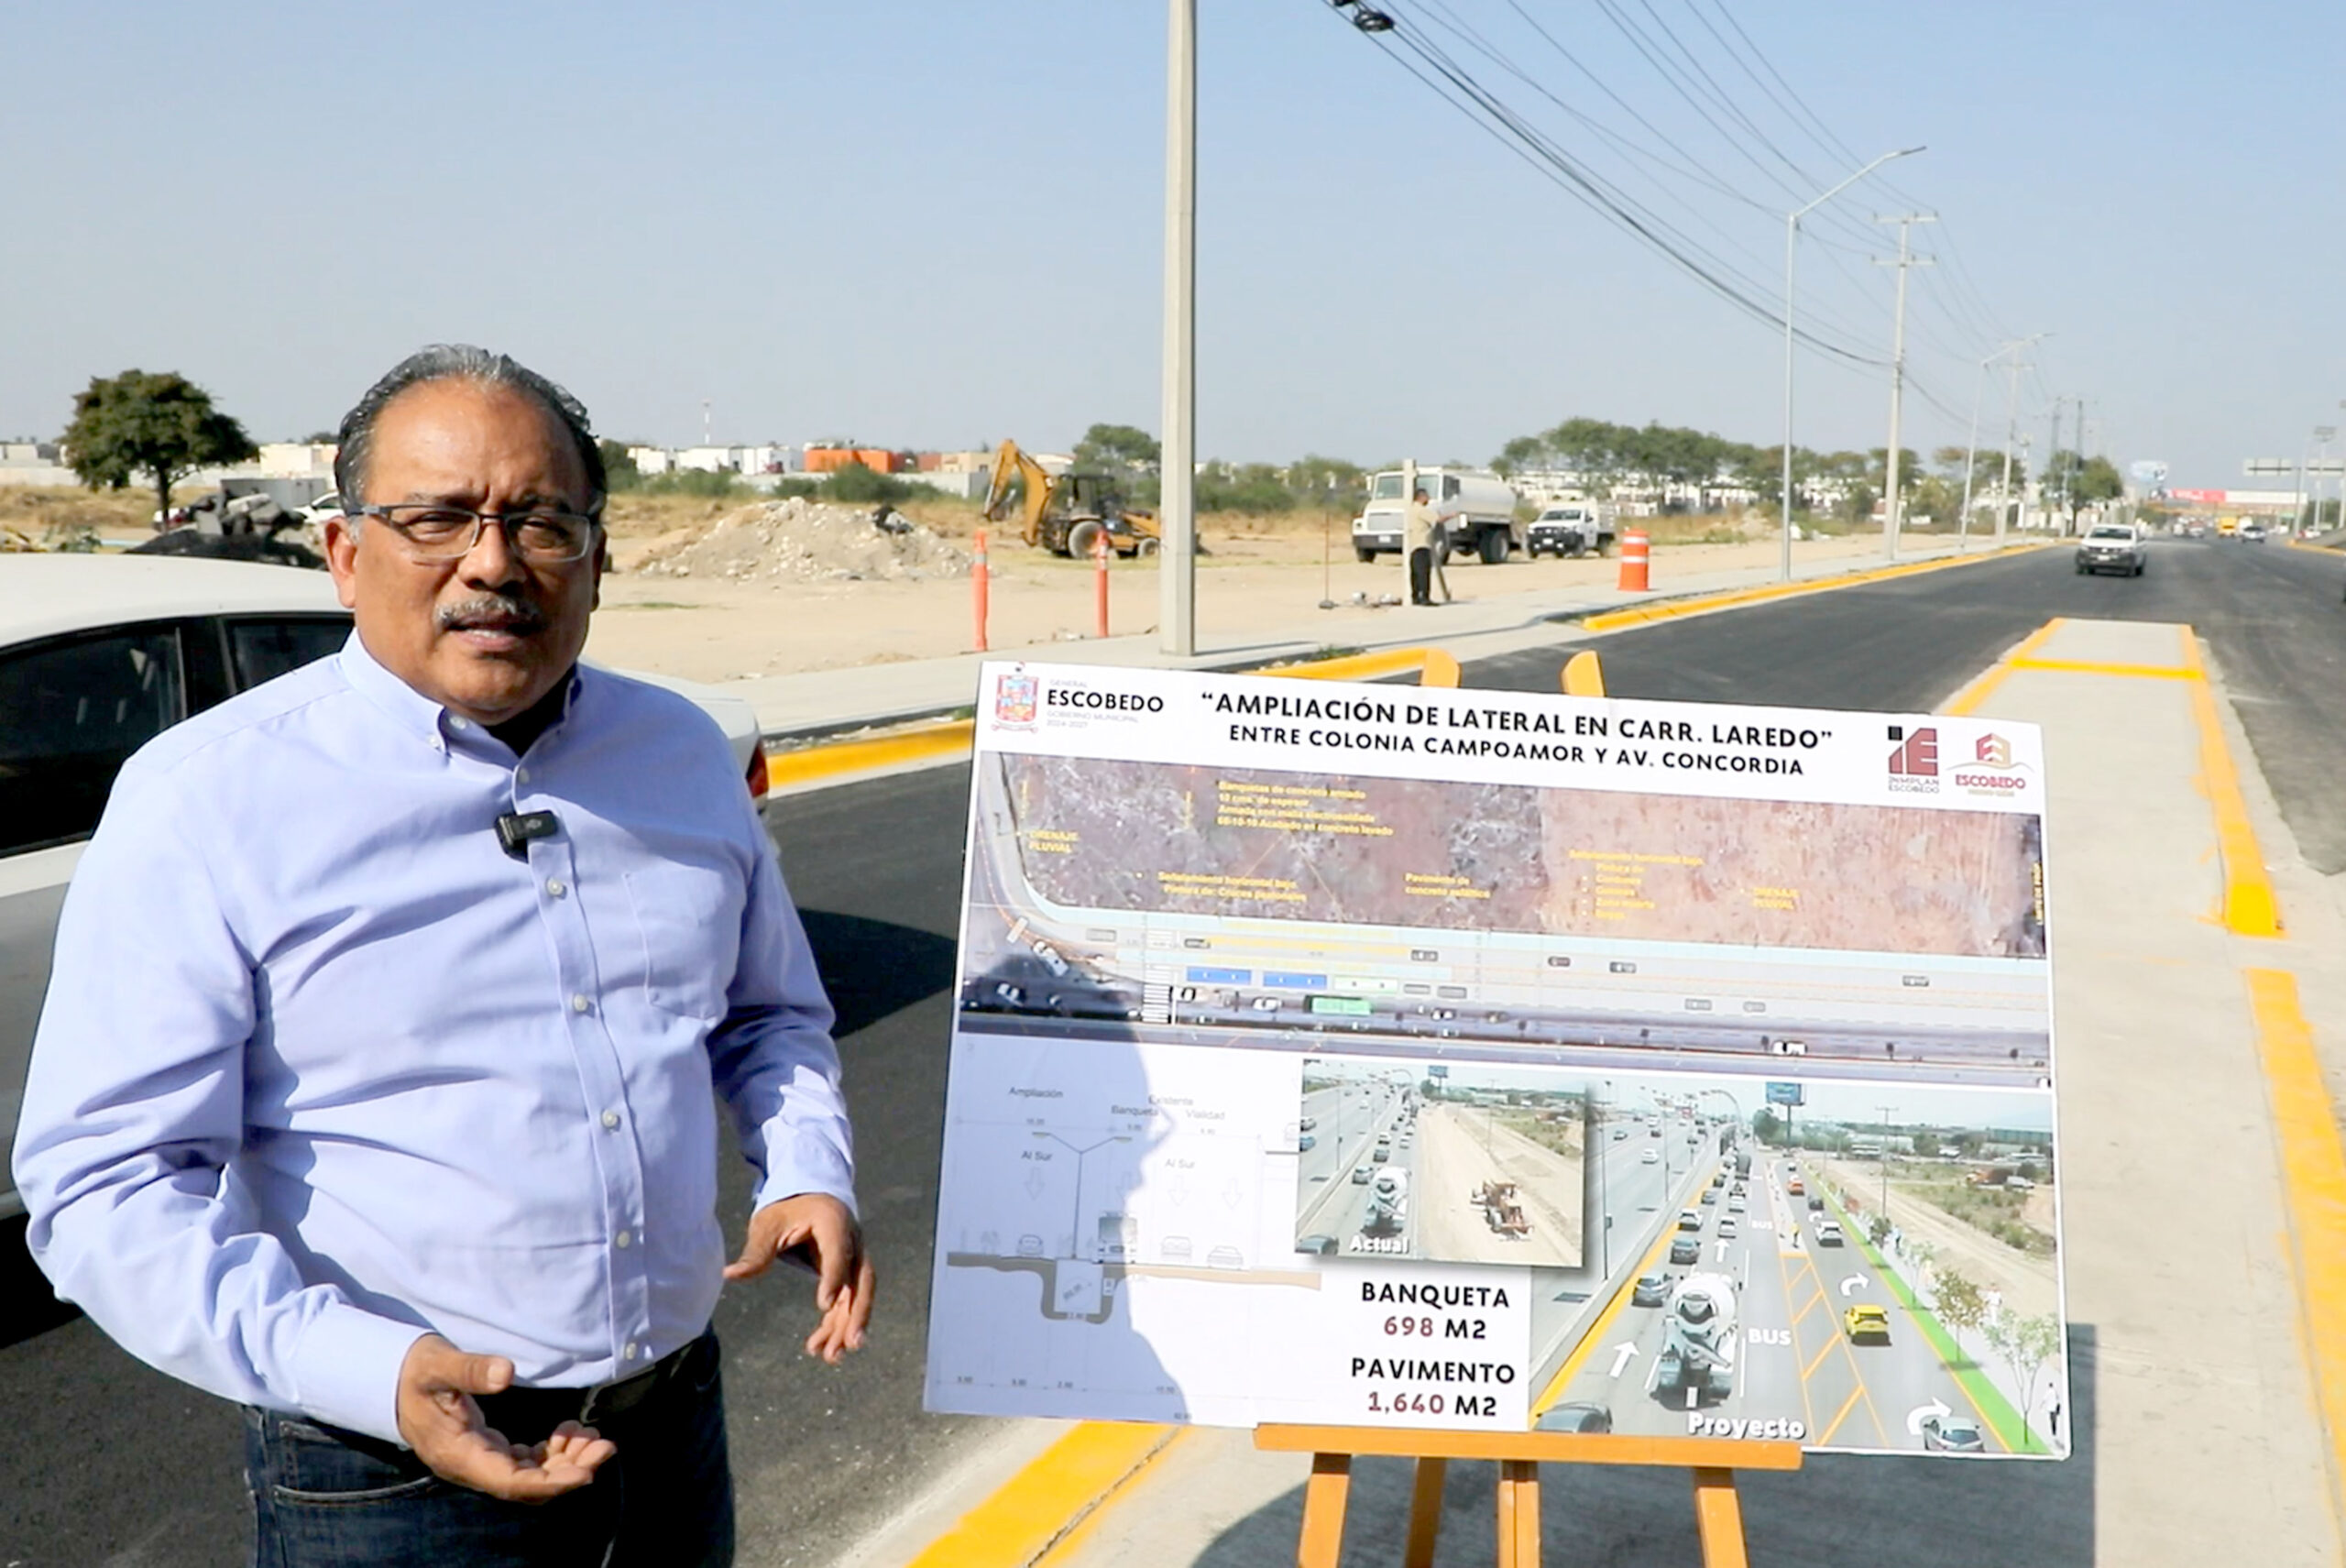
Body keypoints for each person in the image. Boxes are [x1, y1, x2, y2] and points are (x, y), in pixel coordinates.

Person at [12, 345, 872, 1566]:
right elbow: (103, 1183)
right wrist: (378, 1370)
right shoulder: (209, 800)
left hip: (670, 1430)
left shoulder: (677, 753)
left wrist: (805, 1165)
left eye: (540, 521)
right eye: (438, 518)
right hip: (389, 1475)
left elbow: (766, 1013)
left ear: (599, 555)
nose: (492, 561)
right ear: (345, 551)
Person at [1402, 485, 1453, 606]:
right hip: (1422, 543)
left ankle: (1415, 596)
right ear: (1421, 497)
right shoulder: (1421, 510)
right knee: (1423, 572)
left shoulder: (1411, 509)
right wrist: (1452, 515)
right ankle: (1424, 597)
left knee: (1415, 572)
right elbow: (1437, 519)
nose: (1428, 499)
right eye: (1427, 496)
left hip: (1413, 544)